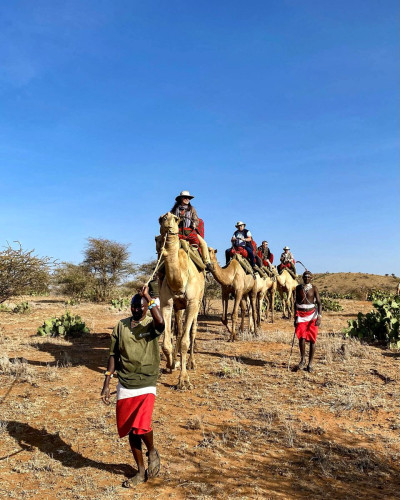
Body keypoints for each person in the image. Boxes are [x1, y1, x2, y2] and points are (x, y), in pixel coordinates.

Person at [101, 285, 165, 487]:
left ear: (147, 307)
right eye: (134, 306)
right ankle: (139, 471)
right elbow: (113, 355)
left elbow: (161, 321)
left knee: (142, 425)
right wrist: (106, 381)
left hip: (146, 382)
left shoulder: (151, 325)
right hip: (126, 382)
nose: (137, 309)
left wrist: (148, 296)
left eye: (141, 306)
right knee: (131, 429)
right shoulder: (120, 326)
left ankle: (152, 450)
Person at [170, 190, 212, 270]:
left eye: (188, 198)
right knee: (164, 243)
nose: (187, 199)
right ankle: (160, 266)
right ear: (181, 199)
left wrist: (194, 224)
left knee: (203, 243)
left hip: (189, 232)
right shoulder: (174, 210)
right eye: (185, 197)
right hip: (177, 233)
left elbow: (196, 219)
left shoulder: (192, 209)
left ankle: (207, 263)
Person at [294, 271, 321, 372]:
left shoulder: (314, 288)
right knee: (301, 338)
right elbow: (295, 302)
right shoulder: (298, 288)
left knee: (312, 340)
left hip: (312, 316)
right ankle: (302, 360)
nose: (306, 278)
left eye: (308, 277)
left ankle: (310, 364)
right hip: (300, 316)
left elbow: (319, 303)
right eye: (304, 277)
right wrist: (295, 317)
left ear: (311, 278)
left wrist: (319, 317)